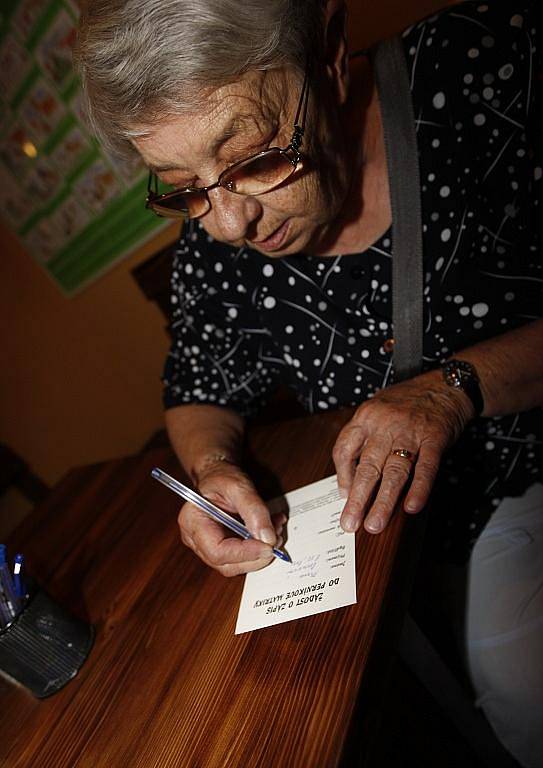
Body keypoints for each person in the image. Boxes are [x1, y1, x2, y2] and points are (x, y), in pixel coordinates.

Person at [76, 1, 543, 764]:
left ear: (326, 56)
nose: (227, 225)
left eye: (255, 156)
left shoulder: (484, 75)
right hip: (381, 543)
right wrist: (213, 468)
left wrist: (451, 387)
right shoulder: (213, 235)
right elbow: (200, 384)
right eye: (179, 186)